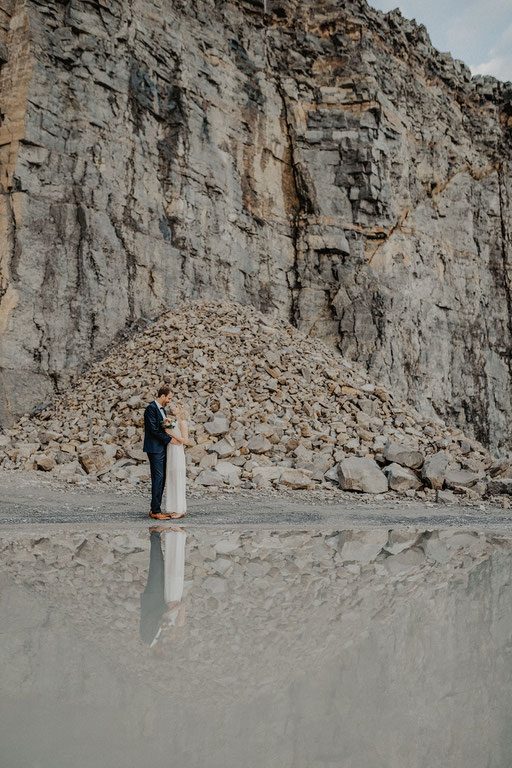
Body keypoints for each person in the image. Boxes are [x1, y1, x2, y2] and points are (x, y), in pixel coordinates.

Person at [143, 385, 186, 521]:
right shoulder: (151, 409)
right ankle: (156, 511)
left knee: (161, 479)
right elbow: (154, 430)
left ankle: (155, 508)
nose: (169, 401)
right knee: (158, 478)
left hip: (162, 448)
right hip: (155, 449)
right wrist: (169, 440)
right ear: (162, 396)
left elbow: (163, 429)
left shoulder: (163, 411)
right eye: (168, 398)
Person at [164, 402, 190, 519]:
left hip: (177, 451)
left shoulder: (183, 423)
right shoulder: (174, 422)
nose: (173, 408)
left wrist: (171, 434)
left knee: (178, 478)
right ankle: (174, 507)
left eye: (175, 407)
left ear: (180, 409)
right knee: (172, 477)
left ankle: (180, 509)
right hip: (171, 451)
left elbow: (185, 440)